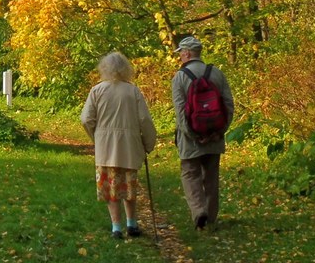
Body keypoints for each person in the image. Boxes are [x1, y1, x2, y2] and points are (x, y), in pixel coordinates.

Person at [80, 51, 158, 240]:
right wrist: (148, 144)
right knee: (128, 187)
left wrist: (96, 138)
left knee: (111, 188)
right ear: (125, 69)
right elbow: (144, 120)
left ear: (104, 69)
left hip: (105, 150)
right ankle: (131, 223)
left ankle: (116, 227)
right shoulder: (133, 91)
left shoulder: (97, 91)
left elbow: (86, 119)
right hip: (130, 147)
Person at [170, 34, 235, 231]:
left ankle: (199, 212)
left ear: (187, 53)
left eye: (181, 52)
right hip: (214, 135)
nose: (180, 56)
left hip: (191, 139)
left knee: (190, 174)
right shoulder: (216, 73)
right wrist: (220, 131)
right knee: (211, 176)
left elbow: (180, 112)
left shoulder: (180, 77)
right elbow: (228, 105)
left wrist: (192, 135)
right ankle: (212, 218)